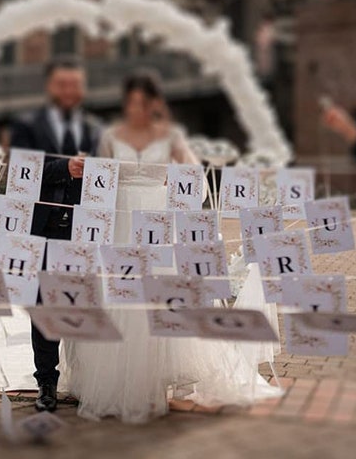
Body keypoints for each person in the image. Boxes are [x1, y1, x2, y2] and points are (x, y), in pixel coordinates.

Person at [64, 69, 282, 423]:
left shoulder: (170, 136)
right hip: (120, 220)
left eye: (143, 103)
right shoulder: (109, 136)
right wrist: (83, 168)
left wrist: (182, 204)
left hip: (157, 222)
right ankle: (120, 381)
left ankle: (160, 380)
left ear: (154, 103)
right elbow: (97, 178)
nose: (136, 109)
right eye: (131, 103)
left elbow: (194, 176)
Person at [10, 56, 102, 412]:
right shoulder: (27, 125)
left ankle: (82, 379)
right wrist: (65, 167)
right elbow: (21, 172)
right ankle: (46, 381)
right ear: (50, 86)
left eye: (76, 84)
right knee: (44, 309)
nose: (70, 91)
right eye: (63, 84)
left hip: (83, 232)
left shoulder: (94, 128)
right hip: (42, 231)